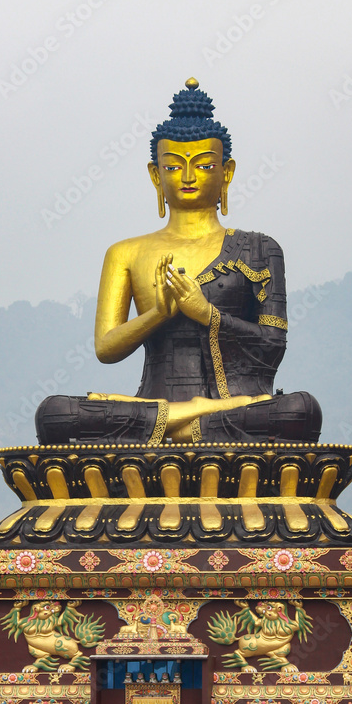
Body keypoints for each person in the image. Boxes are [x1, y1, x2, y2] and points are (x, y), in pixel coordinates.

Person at [36, 78, 321, 447]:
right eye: (173, 167)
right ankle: (190, 418)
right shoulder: (125, 252)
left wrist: (206, 314)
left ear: (227, 172)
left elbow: (273, 346)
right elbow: (106, 348)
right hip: (161, 403)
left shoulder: (259, 249)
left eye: (203, 165)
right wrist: (160, 313)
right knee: (55, 414)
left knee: (299, 411)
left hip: (236, 406)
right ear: (155, 175)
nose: (187, 177)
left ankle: (170, 427)